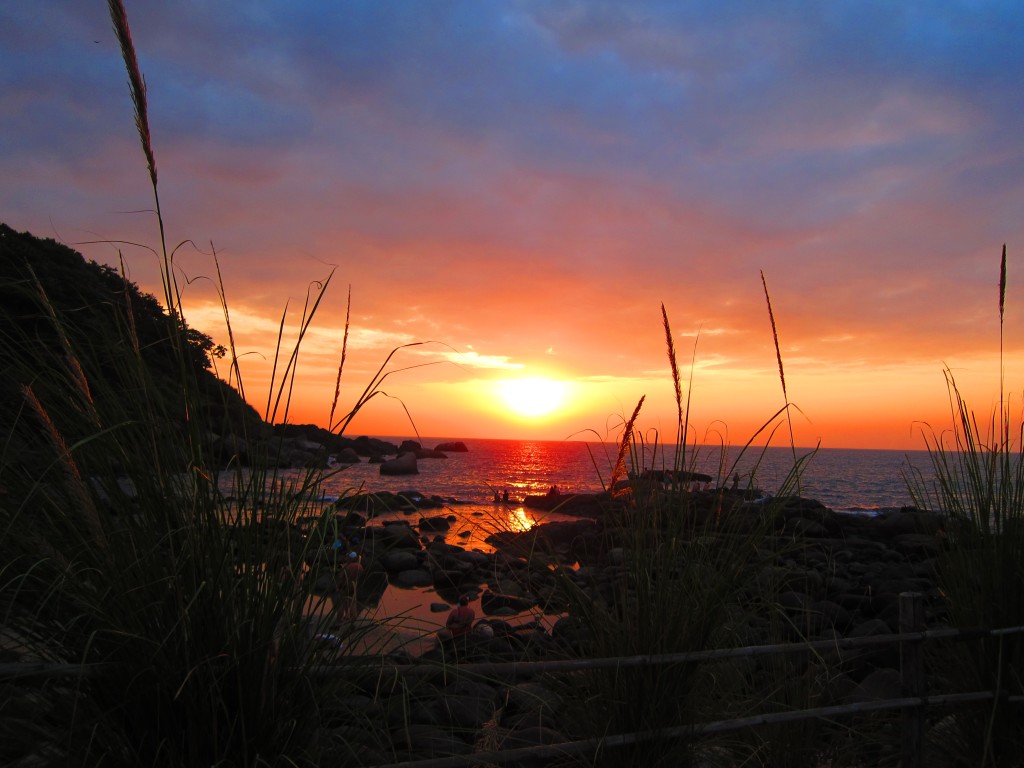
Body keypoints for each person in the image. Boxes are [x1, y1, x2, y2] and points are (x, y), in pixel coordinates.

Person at [333, 552, 364, 621]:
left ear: (350, 558)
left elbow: (340, 577)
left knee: (342, 603)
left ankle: (339, 619)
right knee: (352, 602)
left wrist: (338, 586)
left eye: (348, 557)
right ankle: (352, 618)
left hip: (345, 586)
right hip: (354, 587)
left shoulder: (346, 566)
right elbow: (361, 577)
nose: (346, 558)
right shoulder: (360, 566)